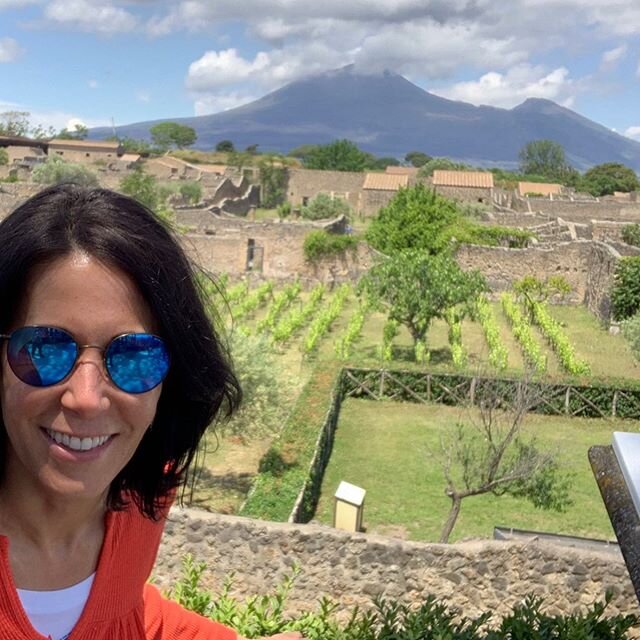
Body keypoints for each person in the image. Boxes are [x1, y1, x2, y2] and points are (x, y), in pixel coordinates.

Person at [0, 184, 301, 640]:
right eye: (44, 350)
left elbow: (124, 615)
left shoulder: (137, 506)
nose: (86, 397)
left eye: (134, 356)